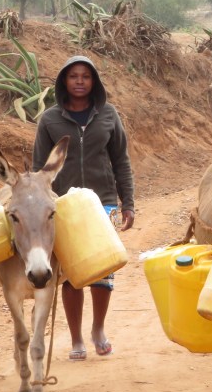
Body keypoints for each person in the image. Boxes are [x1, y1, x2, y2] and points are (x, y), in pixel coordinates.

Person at [33, 55, 136, 361]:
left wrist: (128, 202)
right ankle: (76, 338)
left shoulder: (108, 114)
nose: (80, 81)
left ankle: (98, 330)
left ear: (94, 82)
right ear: (64, 81)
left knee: (104, 270)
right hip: (64, 205)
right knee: (71, 274)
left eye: (86, 76)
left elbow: (121, 160)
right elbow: (39, 167)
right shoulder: (50, 120)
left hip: (103, 200)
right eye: (73, 76)